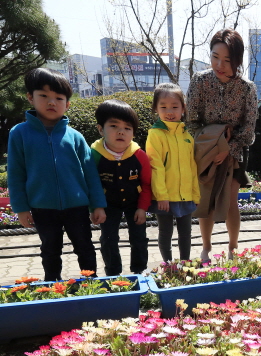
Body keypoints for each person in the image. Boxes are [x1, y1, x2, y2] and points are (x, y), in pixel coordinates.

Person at [7, 68, 107, 281]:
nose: (51, 102)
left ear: (67, 104)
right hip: (43, 207)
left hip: (77, 207)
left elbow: (90, 174)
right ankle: (53, 287)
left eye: (59, 98)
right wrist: (21, 208)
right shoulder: (19, 134)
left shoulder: (75, 137)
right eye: (44, 95)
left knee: (85, 247)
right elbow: (15, 174)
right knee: (50, 250)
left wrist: (97, 205)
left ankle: (91, 285)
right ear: (30, 97)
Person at [186, 28, 257, 261]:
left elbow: (249, 129)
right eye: (215, 57)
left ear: (237, 60)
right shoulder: (200, 81)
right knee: (205, 199)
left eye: (227, 60)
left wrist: (227, 150)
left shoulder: (247, 88)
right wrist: (212, 146)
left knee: (230, 201)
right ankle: (206, 247)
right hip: (205, 150)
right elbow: (191, 122)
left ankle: (233, 248)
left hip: (235, 151)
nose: (220, 65)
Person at [91, 100, 152, 275]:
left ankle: (140, 271)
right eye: (114, 126)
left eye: (127, 128)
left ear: (133, 133)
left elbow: (146, 184)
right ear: (101, 129)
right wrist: (96, 207)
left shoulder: (139, 155)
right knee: (108, 239)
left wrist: (142, 208)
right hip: (107, 204)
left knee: (139, 237)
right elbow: (91, 183)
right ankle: (113, 274)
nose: (121, 131)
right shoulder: (94, 155)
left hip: (134, 203)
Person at [146, 82, 200, 262]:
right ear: (156, 109)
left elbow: (192, 168)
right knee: (165, 232)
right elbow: (155, 166)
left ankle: (185, 265)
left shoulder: (187, 136)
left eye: (175, 107)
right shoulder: (155, 134)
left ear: (183, 109)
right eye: (163, 107)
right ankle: (168, 266)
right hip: (165, 197)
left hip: (186, 196)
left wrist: (195, 195)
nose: (169, 111)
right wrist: (161, 195)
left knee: (186, 233)